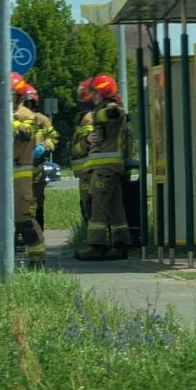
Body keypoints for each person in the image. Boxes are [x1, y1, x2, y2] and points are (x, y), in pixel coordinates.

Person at [77, 74, 132, 261]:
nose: (92, 96)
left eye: (94, 92)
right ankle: (120, 244)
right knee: (115, 208)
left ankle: (97, 246)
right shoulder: (106, 108)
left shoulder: (111, 109)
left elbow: (111, 114)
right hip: (106, 167)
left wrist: (97, 115)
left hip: (106, 168)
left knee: (97, 205)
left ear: (103, 92)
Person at [9, 73, 46, 270]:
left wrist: (10, 121)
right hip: (3, 174)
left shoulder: (26, 115)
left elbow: (26, 134)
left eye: (10, 94)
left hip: (21, 175)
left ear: (19, 96)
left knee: (25, 220)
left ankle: (38, 258)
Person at [22, 85, 58, 229]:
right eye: (25, 102)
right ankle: (19, 235)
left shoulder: (42, 120)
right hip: (18, 168)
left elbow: (54, 138)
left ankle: (38, 232)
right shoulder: (15, 118)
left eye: (30, 103)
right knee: (20, 203)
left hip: (37, 170)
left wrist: (44, 146)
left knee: (37, 203)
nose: (27, 106)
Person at [69, 79, 96, 223]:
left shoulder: (90, 118)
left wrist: (81, 146)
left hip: (89, 172)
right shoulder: (86, 117)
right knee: (87, 208)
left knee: (89, 209)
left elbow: (89, 143)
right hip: (85, 173)